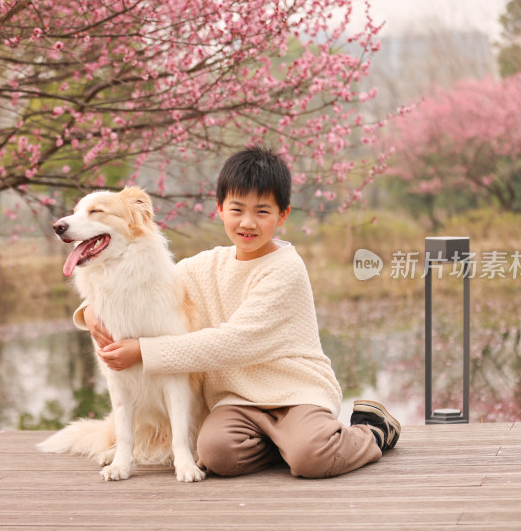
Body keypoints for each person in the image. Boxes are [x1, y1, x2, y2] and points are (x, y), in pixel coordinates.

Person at [79, 145, 400, 478]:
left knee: (311, 458)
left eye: (262, 211)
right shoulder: (206, 265)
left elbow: (234, 343)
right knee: (216, 454)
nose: (248, 222)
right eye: (237, 209)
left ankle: (373, 431)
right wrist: (88, 313)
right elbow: (146, 285)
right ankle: (285, 445)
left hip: (295, 393)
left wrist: (143, 351)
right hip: (236, 400)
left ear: (283, 215)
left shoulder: (285, 268)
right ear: (220, 209)